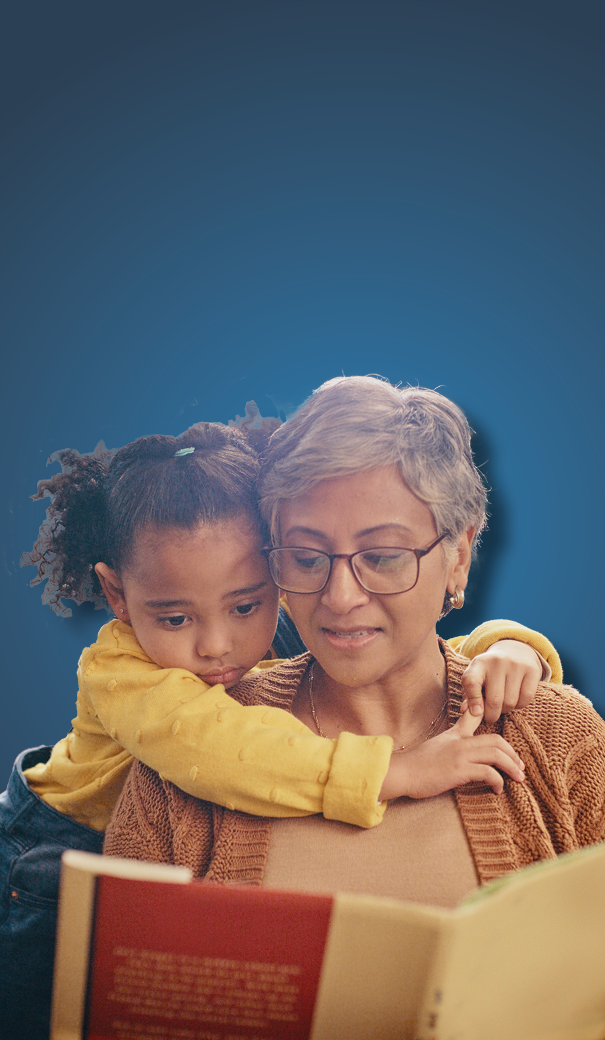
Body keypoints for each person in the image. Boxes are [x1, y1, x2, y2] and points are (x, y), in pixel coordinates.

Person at [105, 377, 605, 1037]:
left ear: (459, 554)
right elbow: (113, 1007)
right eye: (306, 557)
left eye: (382, 557)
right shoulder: (192, 756)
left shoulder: (557, 735)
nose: (341, 595)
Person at [0, 414, 562, 1039]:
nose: (219, 647)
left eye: (246, 604)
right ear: (117, 595)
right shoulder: (122, 674)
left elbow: (402, 641)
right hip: (48, 861)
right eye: (175, 619)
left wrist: (511, 648)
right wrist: (392, 771)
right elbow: (225, 751)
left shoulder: (273, 623)